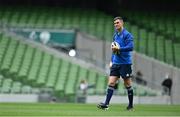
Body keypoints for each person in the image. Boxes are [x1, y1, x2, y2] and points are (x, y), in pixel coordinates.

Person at [97, 16, 134, 111]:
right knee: (111, 82)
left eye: (117, 23)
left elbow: (131, 47)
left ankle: (130, 105)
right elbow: (114, 50)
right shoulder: (115, 35)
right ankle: (106, 104)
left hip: (125, 64)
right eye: (114, 23)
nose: (116, 25)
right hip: (116, 63)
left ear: (122, 23)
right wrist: (112, 60)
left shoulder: (127, 35)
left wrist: (119, 49)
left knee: (127, 84)